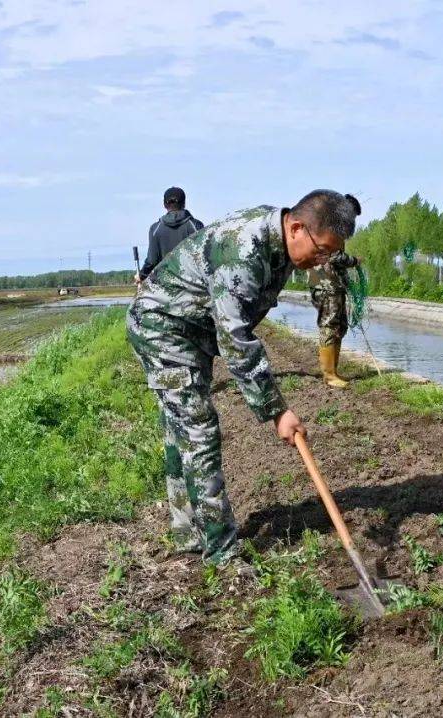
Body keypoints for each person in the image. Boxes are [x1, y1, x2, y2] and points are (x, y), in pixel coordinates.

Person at [127, 190, 361, 563]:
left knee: (180, 429)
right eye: (321, 250)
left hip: (192, 331)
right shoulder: (246, 249)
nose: (323, 260)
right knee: (197, 429)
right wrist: (276, 410)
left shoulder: (283, 244)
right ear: (297, 227)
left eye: (330, 254)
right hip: (163, 329)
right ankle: (222, 553)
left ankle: (188, 532)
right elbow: (235, 337)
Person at [308, 250, 360, 388]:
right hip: (326, 287)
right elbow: (335, 255)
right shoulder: (327, 232)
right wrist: (355, 261)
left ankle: (334, 372)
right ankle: (329, 375)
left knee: (340, 327)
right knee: (330, 326)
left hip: (334, 286)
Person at [136, 186, 204, 283]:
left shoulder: (155, 229)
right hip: (193, 286)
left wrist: (141, 276)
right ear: (184, 203)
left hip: (165, 288)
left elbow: (151, 261)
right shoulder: (196, 226)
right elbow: (203, 258)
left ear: (164, 204)